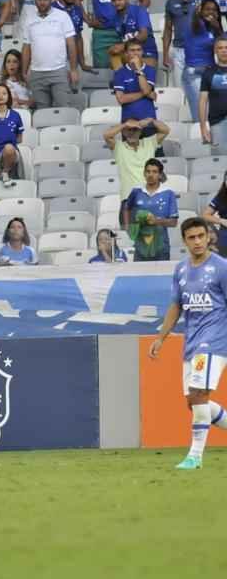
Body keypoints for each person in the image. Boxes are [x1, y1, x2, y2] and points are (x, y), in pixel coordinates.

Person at [149, 217, 227, 470]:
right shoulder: (181, 269)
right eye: (191, 238)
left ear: (208, 237)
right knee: (193, 402)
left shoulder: (222, 267)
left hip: (214, 340)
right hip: (191, 341)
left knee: (198, 394)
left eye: (201, 236)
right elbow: (176, 306)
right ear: (184, 241)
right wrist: (161, 338)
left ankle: (195, 456)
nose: (197, 242)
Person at [23, 0, 81, 108]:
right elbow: (26, 47)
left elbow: (71, 44)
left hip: (58, 71)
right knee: (42, 112)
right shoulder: (29, 19)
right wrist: (24, 72)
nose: (42, 2)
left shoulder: (62, 16)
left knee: (63, 107)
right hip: (36, 73)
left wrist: (73, 69)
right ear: (35, 0)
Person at [165, 0, 209, 120]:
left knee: (199, 87)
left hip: (198, 51)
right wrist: (165, 54)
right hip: (178, 50)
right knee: (180, 89)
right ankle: (185, 122)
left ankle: (201, 121)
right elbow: (167, 28)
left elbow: (211, 25)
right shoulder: (171, 1)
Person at [123, 159, 179, 262]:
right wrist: (127, 226)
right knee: (139, 276)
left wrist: (156, 221)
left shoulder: (168, 193)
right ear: (144, 173)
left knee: (160, 277)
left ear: (160, 175)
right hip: (140, 246)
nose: (150, 175)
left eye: (154, 172)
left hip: (161, 246)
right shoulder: (136, 192)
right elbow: (126, 208)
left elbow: (174, 222)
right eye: (148, 171)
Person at [104, 118, 170, 200]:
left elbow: (165, 130)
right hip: (129, 198)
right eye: (129, 130)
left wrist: (151, 121)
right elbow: (106, 135)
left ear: (140, 131)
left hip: (150, 196)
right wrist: (125, 124)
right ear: (124, 132)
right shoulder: (119, 146)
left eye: (135, 130)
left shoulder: (149, 142)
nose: (132, 133)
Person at [113, 39, 159, 135]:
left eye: (138, 50)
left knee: (152, 149)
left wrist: (138, 69)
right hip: (129, 123)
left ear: (142, 51)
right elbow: (121, 99)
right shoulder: (120, 73)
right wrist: (147, 94)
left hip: (148, 120)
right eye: (132, 50)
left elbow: (146, 89)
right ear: (126, 53)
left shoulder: (150, 70)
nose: (136, 53)